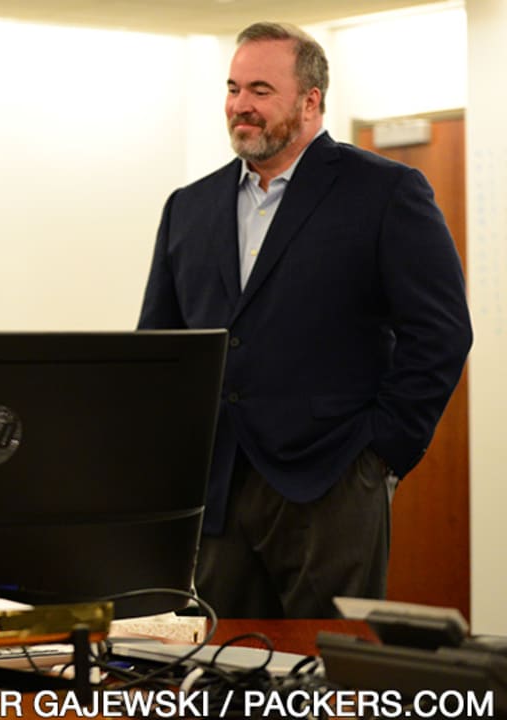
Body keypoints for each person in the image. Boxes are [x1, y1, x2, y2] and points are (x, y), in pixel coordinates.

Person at [138, 22, 472, 618]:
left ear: (311, 101)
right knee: (222, 678)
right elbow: (159, 350)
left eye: (261, 90)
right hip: (218, 488)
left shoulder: (385, 192)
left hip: (333, 484)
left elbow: (442, 333)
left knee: (329, 682)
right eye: (234, 88)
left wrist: (381, 455)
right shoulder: (189, 207)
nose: (240, 105)